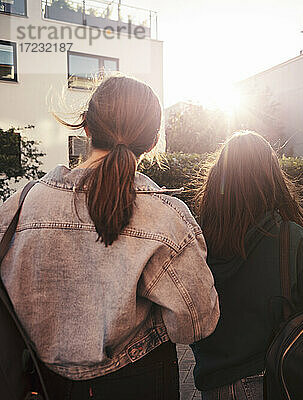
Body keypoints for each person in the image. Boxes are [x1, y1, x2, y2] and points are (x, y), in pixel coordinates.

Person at [0, 75, 220, 399]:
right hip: (139, 383)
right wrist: (150, 323)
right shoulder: (166, 217)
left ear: (86, 127)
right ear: (153, 140)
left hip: (37, 384)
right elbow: (196, 323)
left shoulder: (20, 205)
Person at [189, 131, 303, 400]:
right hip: (272, 377)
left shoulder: (199, 239)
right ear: (271, 177)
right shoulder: (290, 237)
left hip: (213, 381)